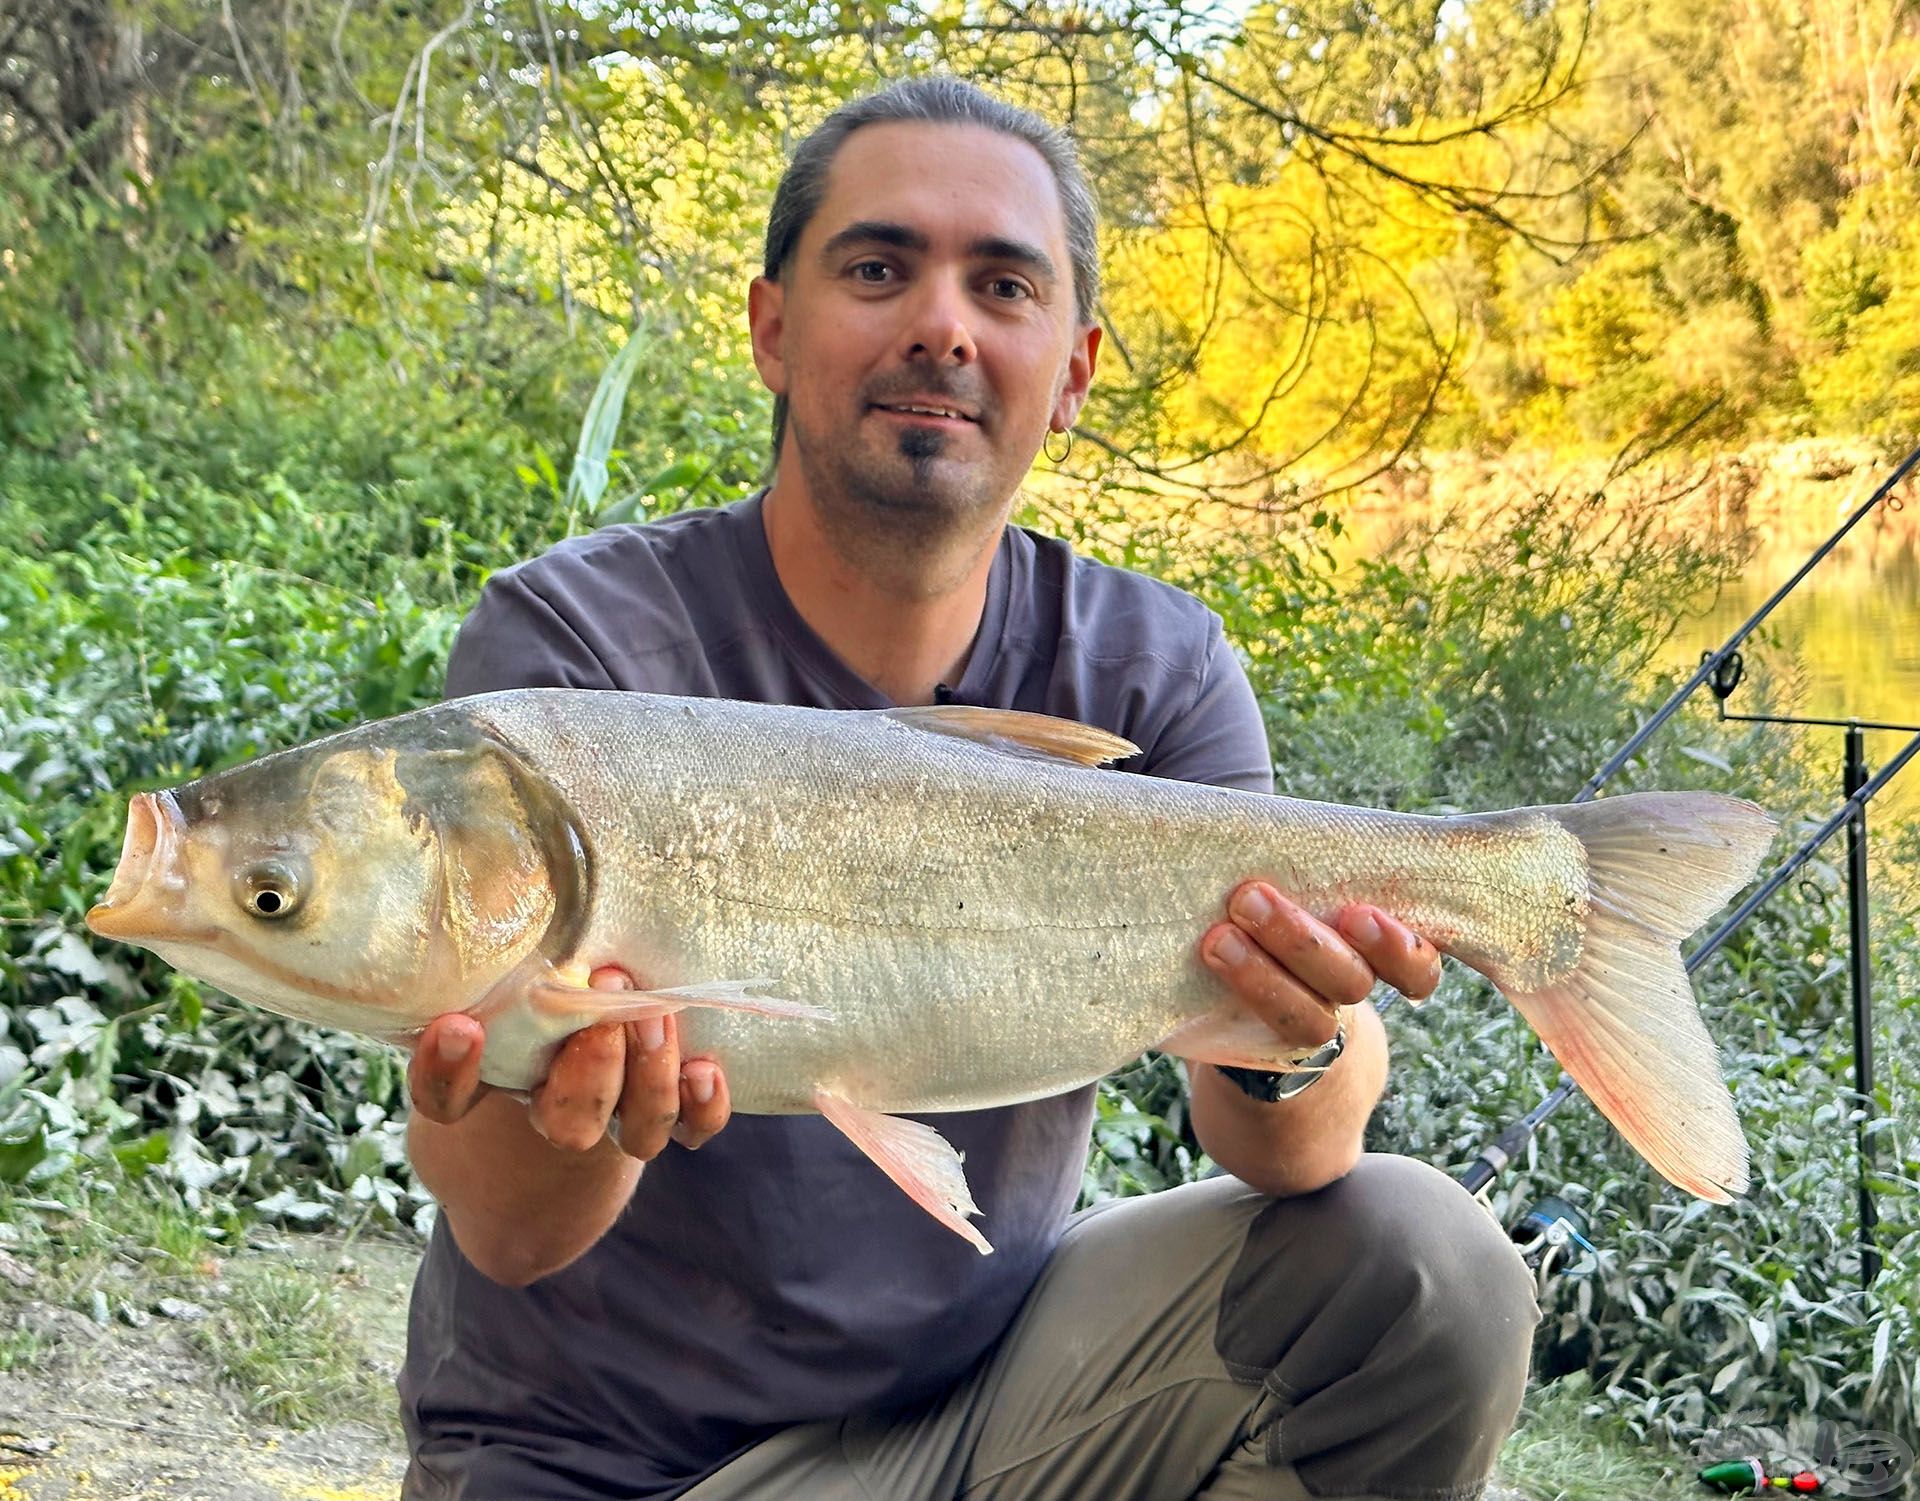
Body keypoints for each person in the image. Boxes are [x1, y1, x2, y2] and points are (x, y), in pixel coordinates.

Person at [399, 77, 1538, 1501]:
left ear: (1072, 368)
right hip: (611, 1467)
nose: (941, 323)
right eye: (878, 269)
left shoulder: (1152, 667)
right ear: (770, 327)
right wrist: (584, 1101)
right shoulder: (575, 665)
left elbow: (1295, 1140)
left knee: (1424, 1264)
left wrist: (1297, 1031)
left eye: (1003, 284)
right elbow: (508, 1235)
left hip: (992, 1421)